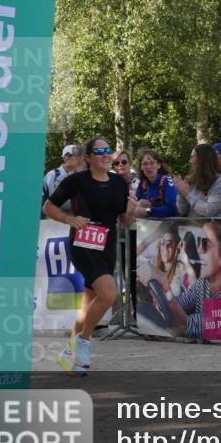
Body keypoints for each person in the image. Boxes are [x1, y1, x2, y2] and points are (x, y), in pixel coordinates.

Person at [44, 138, 137, 375]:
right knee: (109, 294)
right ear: (87, 157)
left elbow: (125, 222)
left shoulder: (119, 182)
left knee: (87, 306)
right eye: (100, 151)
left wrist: (131, 212)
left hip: (107, 246)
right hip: (83, 244)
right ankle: (84, 341)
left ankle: (69, 357)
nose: (106, 155)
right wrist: (68, 219)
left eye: (108, 151)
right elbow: (49, 207)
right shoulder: (77, 180)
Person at [160, 220, 221, 340]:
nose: (198, 249)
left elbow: (191, 324)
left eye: (205, 244)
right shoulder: (203, 283)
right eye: (198, 242)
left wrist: (162, 284)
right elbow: (181, 302)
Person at [174, 143, 221, 218]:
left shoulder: (220, 181)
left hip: (213, 228)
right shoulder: (191, 180)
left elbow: (209, 210)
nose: (190, 161)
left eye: (192, 157)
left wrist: (187, 194)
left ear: (202, 159)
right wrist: (181, 193)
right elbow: (182, 211)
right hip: (191, 227)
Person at [132, 149, 179, 219]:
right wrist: (138, 205)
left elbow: (174, 208)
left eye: (152, 163)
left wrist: (148, 211)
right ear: (141, 167)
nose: (148, 167)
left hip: (169, 227)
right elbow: (134, 208)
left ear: (159, 165)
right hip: (148, 228)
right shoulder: (142, 184)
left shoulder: (167, 181)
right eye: (145, 164)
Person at [42, 144, 84, 214]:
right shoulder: (53, 175)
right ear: (65, 157)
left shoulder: (79, 176)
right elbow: (50, 200)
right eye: (75, 155)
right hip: (53, 219)